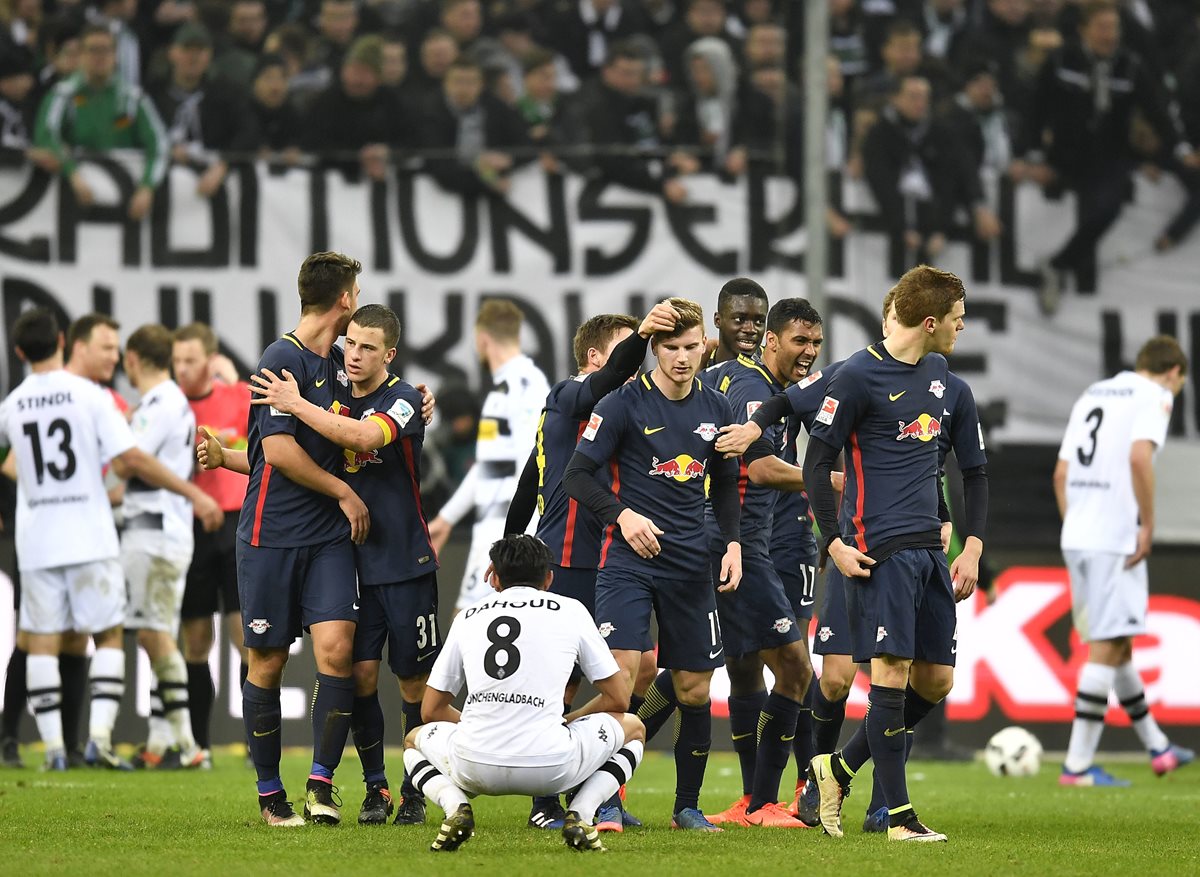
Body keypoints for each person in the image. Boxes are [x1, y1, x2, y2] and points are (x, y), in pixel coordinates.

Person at [238, 304, 439, 826]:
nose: (354, 355)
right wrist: (230, 455)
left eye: (368, 348)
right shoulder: (332, 393)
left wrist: (295, 404)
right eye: (349, 343)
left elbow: (364, 439)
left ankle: (416, 787)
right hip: (355, 557)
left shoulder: (402, 399)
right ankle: (377, 789)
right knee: (362, 675)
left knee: (414, 683)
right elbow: (281, 452)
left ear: (389, 355)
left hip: (406, 558)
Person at [0, 308, 218, 771]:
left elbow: (7, 460)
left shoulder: (13, 404)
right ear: (63, 341)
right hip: (91, 533)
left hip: (37, 538)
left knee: (40, 640)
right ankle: (100, 739)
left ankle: (56, 750)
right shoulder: (90, 397)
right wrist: (194, 492)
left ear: (19, 352)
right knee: (109, 635)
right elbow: (129, 459)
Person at [803, 265, 977, 843]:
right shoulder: (856, 377)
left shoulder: (947, 382)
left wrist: (971, 546)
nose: (961, 327)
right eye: (956, 319)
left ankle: (838, 766)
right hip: (877, 552)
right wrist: (834, 543)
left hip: (930, 551)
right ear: (930, 322)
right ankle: (899, 818)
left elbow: (974, 473)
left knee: (936, 682)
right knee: (892, 674)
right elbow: (814, 463)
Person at [562, 296, 743, 832]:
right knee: (620, 685)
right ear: (654, 349)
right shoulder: (621, 403)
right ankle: (605, 798)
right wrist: (624, 517)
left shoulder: (718, 408)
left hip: (692, 566)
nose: (682, 358)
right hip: (628, 562)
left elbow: (729, 485)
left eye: (691, 347)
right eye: (671, 348)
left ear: (705, 346)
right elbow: (576, 475)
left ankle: (687, 806)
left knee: (694, 689)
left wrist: (732, 543)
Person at [504, 302, 679, 831]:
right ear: (595, 356)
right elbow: (529, 486)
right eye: (630, 350)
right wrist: (510, 550)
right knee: (563, 682)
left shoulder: (626, 410)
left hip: (617, 559)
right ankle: (545, 798)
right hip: (569, 559)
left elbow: (526, 481)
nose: (638, 363)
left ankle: (598, 785)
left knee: (640, 674)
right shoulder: (567, 395)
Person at [233, 251, 368, 827]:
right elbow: (279, 453)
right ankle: (270, 794)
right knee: (266, 659)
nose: (357, 300)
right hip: (270, 534)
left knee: (337, 650)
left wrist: (420, 401)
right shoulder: (280, 357)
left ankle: (320, 785)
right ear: (344, 299)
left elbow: (376, 405)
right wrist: (343, 491)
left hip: (328, 540)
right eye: (356, 291)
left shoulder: (341, 362)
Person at [404, 534, 646, 853]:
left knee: (413, 740)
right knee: (634, 729)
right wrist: (568, 721)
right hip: (552, 767)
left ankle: (455, 808)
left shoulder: (468, 616)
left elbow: (431, 710)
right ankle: (582, 815)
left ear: (495, 577)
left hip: (473, 765)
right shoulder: (571, 610)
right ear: (548, 577)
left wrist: (477, 726)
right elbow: (618, 699)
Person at [703, 298, 825, 829]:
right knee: (796, 668)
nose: (809, 352)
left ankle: (755, 799)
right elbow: (761, 468)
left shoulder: (732, 375)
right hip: (746, 542)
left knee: (740, 665)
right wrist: (829, 484)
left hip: (742, 537)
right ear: (773, 341)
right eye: (799, 341)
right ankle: (776, 798)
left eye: (816, 343)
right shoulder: (756, 389)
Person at [1053, 335, 1194, 786]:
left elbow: (1061, 473)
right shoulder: (1154, 396)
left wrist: (1078, 525)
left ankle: (1158, 747)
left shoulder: (1094, 393)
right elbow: (1139, 457)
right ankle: (1077, 766)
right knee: (1107, 645)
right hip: (1115, 537)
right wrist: (1147, 525)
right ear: (1173, 373)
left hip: (1077, 533)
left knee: (1118, 642)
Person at [1028, 0, 1198, 313]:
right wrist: (1032, 153)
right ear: (1084, 30)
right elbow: (1036, 109)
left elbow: (1157, 112)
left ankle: (1058, 264)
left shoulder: (1129, 66)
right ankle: (1066, 268)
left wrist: (1180, 148)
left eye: (1114, 28)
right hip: (1065, 154)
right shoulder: (1062, 61)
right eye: (1102, 28)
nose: (1109, 35)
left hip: (1109, 156)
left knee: (1109, 207)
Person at [121, 324, 213, 769]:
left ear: (131, 359)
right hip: (161, 529)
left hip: (154, 530)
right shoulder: (165, 401)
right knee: (155, 632)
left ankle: (188, 745)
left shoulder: (161, 401)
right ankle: (160, 744)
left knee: (154, 633)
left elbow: (129, 459)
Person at [427, 299, 549, 614]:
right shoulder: (507, 387)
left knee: (468, 626)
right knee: (471, 628)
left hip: (508, 532)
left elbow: (534, 463)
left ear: (482, 339)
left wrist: (517, 538)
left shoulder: (526, 386)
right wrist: (446, 519)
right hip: (495, 530)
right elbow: (490, 466)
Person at [171, 322, 250, 768]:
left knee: (245, 638)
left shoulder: (236, 397)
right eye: (177, 361)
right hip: (191, 528)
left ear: (210, 360)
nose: (183, 369)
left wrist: (234, 377)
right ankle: (197, 746)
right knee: (195, 639)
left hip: (236, 524)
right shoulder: (170, 406)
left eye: (191, 360)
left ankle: (253, 742)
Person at [34, 24, 168, 221]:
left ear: (115, 55)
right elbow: (46, 136)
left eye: (106, 49)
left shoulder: (133, 98)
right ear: (80, 55)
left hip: (125, 202)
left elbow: (159, 143)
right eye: (93, 50)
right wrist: (73, 174)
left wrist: (147, 186)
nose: (100, 56)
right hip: (74, 199)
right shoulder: (62, 95)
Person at [708, 276, 769, 366]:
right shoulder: (694, 368)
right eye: (739, 319)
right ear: (717, 320)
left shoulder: (776, 370)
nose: (750, 330)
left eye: (759, 321)